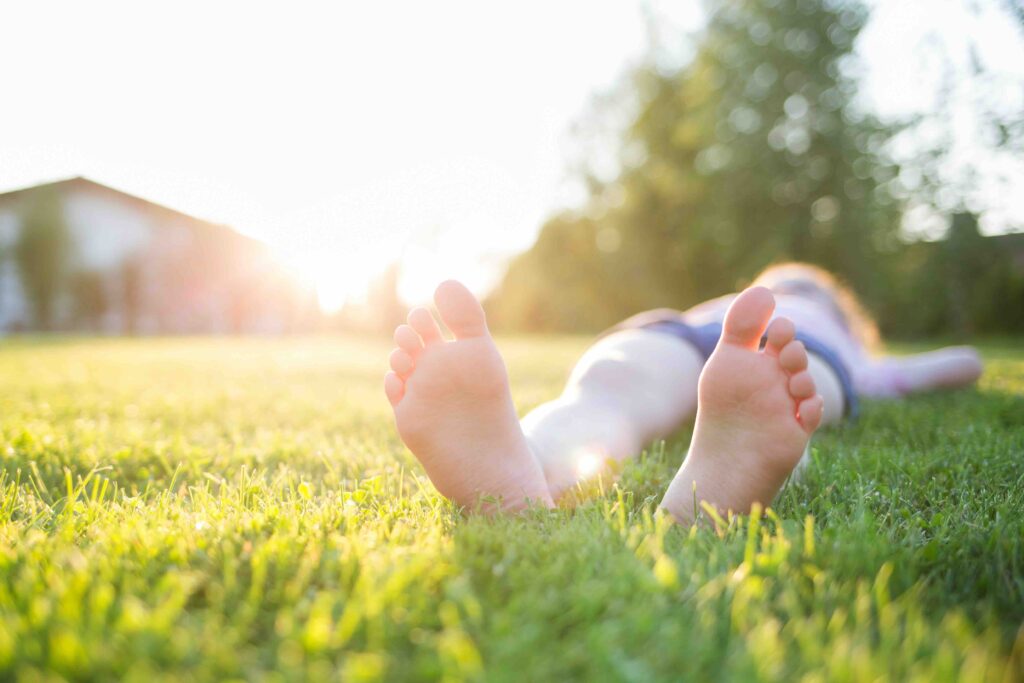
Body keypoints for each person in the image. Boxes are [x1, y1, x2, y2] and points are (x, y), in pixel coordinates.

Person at [383, 263, 983, 524]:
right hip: (766, 346)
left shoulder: (734, 307)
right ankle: (715, 489)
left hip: (674, 331)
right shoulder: (853, 349)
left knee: (606, 396)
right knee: (788, 403)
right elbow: (957, 365)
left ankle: (538, 457)